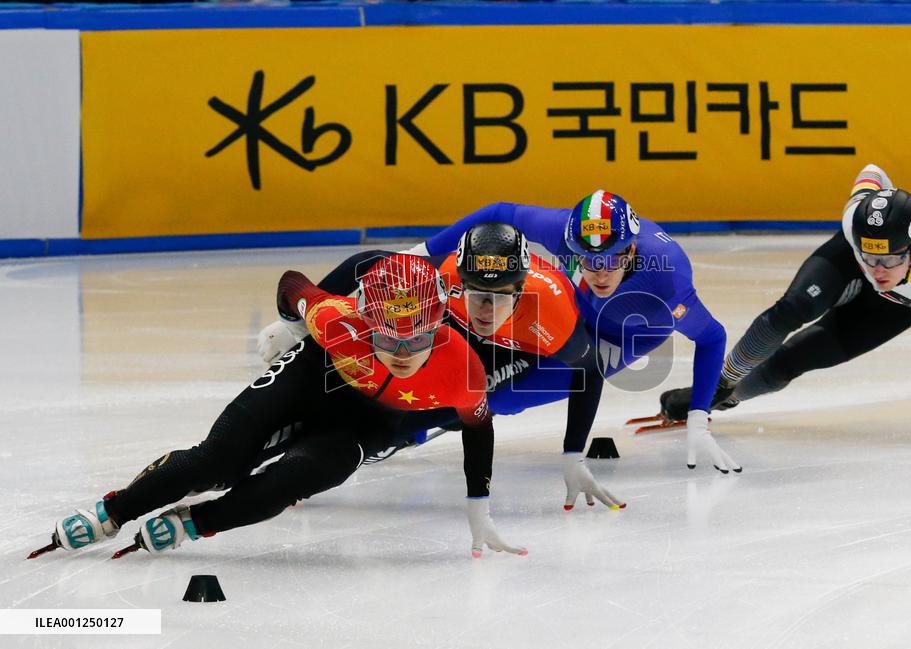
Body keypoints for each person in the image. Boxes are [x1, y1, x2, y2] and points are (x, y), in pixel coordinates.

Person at [32, 255, 525, 560]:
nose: (401, 352)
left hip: (364, 425)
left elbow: (478, 428)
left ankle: (195, 524)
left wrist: (478, 506)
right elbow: (293, 282)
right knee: (217, 460)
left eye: (416, 339)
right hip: (309, 378)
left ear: (438, 325)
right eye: (385, 337)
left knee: (292, 480)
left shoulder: (462, 369)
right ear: (365, 322)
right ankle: (112, 511)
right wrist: (292, 324)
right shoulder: (337, 319)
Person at [261, 221, 625, 510]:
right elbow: (367, 263)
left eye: (499, 296)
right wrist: (296, 323)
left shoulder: (552, 315)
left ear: (520, 288)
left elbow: (590, 368)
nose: (487, 308)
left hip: (513, 351)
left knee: (445, 401)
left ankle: (399, 435)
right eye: (476, 291)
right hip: (456, 328)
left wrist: (573, 453)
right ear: (460, 280)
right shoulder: (445, 273)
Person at [660, 164, 911, 440]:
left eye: (890, 260)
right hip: (848, 261)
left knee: (791, 361)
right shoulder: (855, 221)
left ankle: (729, 397)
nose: (878, 271)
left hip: (898, 305)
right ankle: (720, 383)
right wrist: (723, 379)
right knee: (791, 310)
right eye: (871, 257)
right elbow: (873, 170)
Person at [412, 191, 738, 472]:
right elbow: (500, 212)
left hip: (616, 338)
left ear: (630, 251)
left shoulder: (666, 286)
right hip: (571, 306)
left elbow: (712, 337)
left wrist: (698, 417)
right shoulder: (563, 231)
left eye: (610, 261)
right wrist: (421, 254)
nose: (600, 274)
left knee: (506, 397)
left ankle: (437, 418)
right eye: (588, 260)